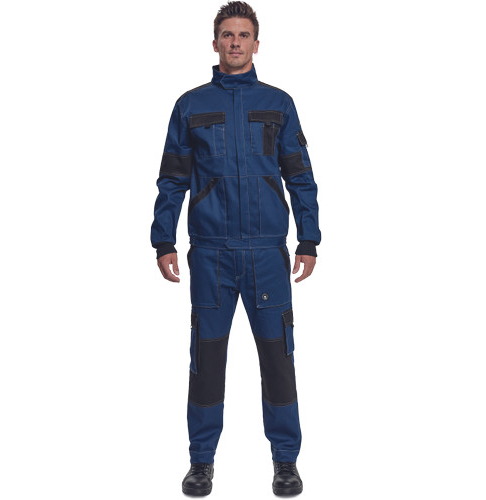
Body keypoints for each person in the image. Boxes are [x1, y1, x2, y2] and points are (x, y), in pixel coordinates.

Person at [150, 1, 321, 495]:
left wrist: (309, 238)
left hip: (267, 253)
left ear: (256, 44)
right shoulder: (190, 105)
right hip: (211, 253)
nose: (235, 42)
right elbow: (172, 178)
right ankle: (200, 462)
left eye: (243, 35)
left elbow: (300, 176)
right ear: (215, 43)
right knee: (206, 360)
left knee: (278, 359)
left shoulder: (279, 103)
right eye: (227, 34)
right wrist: (163, 239)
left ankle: (285, 461)